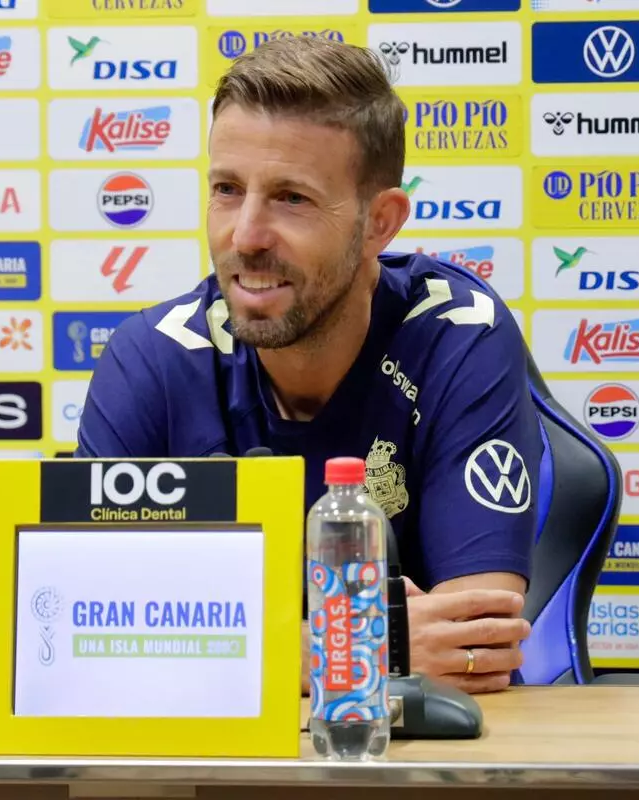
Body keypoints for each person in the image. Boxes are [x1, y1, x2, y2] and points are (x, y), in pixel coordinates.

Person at [75, 36, 541, 695]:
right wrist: (365, 641)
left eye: (292, 198)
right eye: (228, 190)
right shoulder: (151, 358)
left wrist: (205, 645)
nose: (246, 236)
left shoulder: (456, 335)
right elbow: (83, 641)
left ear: (380, 222)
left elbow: (479, 645)